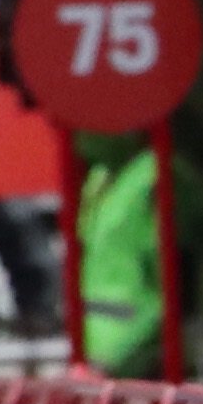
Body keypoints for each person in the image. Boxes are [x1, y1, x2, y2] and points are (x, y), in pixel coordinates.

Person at [70, 132, 163, 378]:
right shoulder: (99, 177)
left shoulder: (154, 174)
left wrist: (119, 356)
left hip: (136, 355)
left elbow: (169, 281)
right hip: (95, 355)